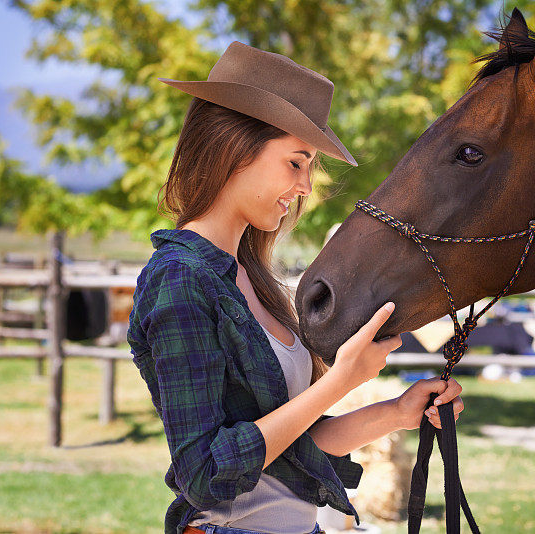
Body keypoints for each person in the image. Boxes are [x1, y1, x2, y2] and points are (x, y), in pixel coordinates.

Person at [127, 41, 465, 534]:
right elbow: (204, 472)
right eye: (295, 162)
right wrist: (340, 381)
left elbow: (291, 449)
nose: (306, 185)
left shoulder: (254, 279)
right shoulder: (179, 280)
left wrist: (396, 412)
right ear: (232, 150)